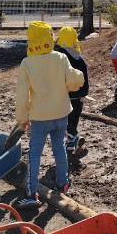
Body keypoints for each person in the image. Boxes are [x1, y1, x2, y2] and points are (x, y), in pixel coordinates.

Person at [16, 21, 84, 208]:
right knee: (59, 149)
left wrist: (23, 118)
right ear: (49, 38)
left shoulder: (27, 63)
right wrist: (78, 76)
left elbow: (22, 94)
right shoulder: (60, 58)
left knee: (35, 153)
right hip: (61, 115)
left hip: (39, 118)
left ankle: (31, 193)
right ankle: (63, 185)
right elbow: (72, 81)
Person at [55, 26, 89, 158]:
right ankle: (70, 144)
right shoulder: (78, 57)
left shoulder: (59, 56)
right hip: (81, 93)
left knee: (64, 122)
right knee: (74, 119)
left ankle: (74, 137)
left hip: (67, 94)